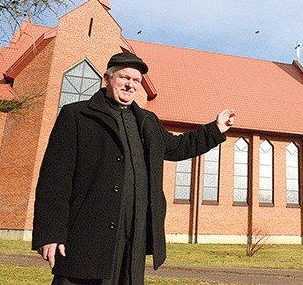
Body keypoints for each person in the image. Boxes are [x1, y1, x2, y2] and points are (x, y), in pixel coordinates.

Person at [32, 52, 235, 284]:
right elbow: (54, 180)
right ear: (107, 79)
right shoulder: (76, 116)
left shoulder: (147, 121)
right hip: (88, 236)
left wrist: (216, 128)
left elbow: (178, 147)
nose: (130, 85)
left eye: (136, 81)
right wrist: (50, 233)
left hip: (133, 239)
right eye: (124, 77)